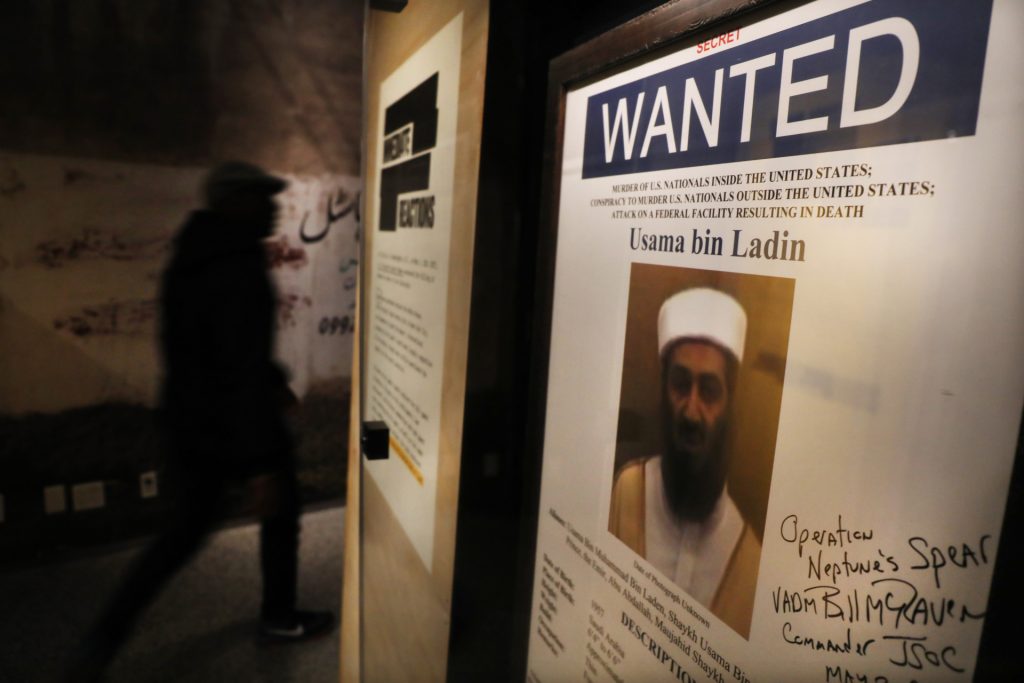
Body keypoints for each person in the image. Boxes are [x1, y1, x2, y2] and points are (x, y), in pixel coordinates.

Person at [70, 162, 332, 681]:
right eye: (261, 197)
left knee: (181, 535)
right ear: (232, 202)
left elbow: (213, 347)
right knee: (276, 510)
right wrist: (260, 464)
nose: (273, 207)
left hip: (192, 421)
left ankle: (104, 637)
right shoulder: (235, 265)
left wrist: (272, 378)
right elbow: (235, 365)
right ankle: (279, 618)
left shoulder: (196, 252)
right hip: (228, 423)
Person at [609, 287, 760, 638]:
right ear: (664, 388)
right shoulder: (629, 489)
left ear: (730, 402)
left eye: (709, 390)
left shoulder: (751, 565)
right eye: (680, 385)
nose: (691, 411)